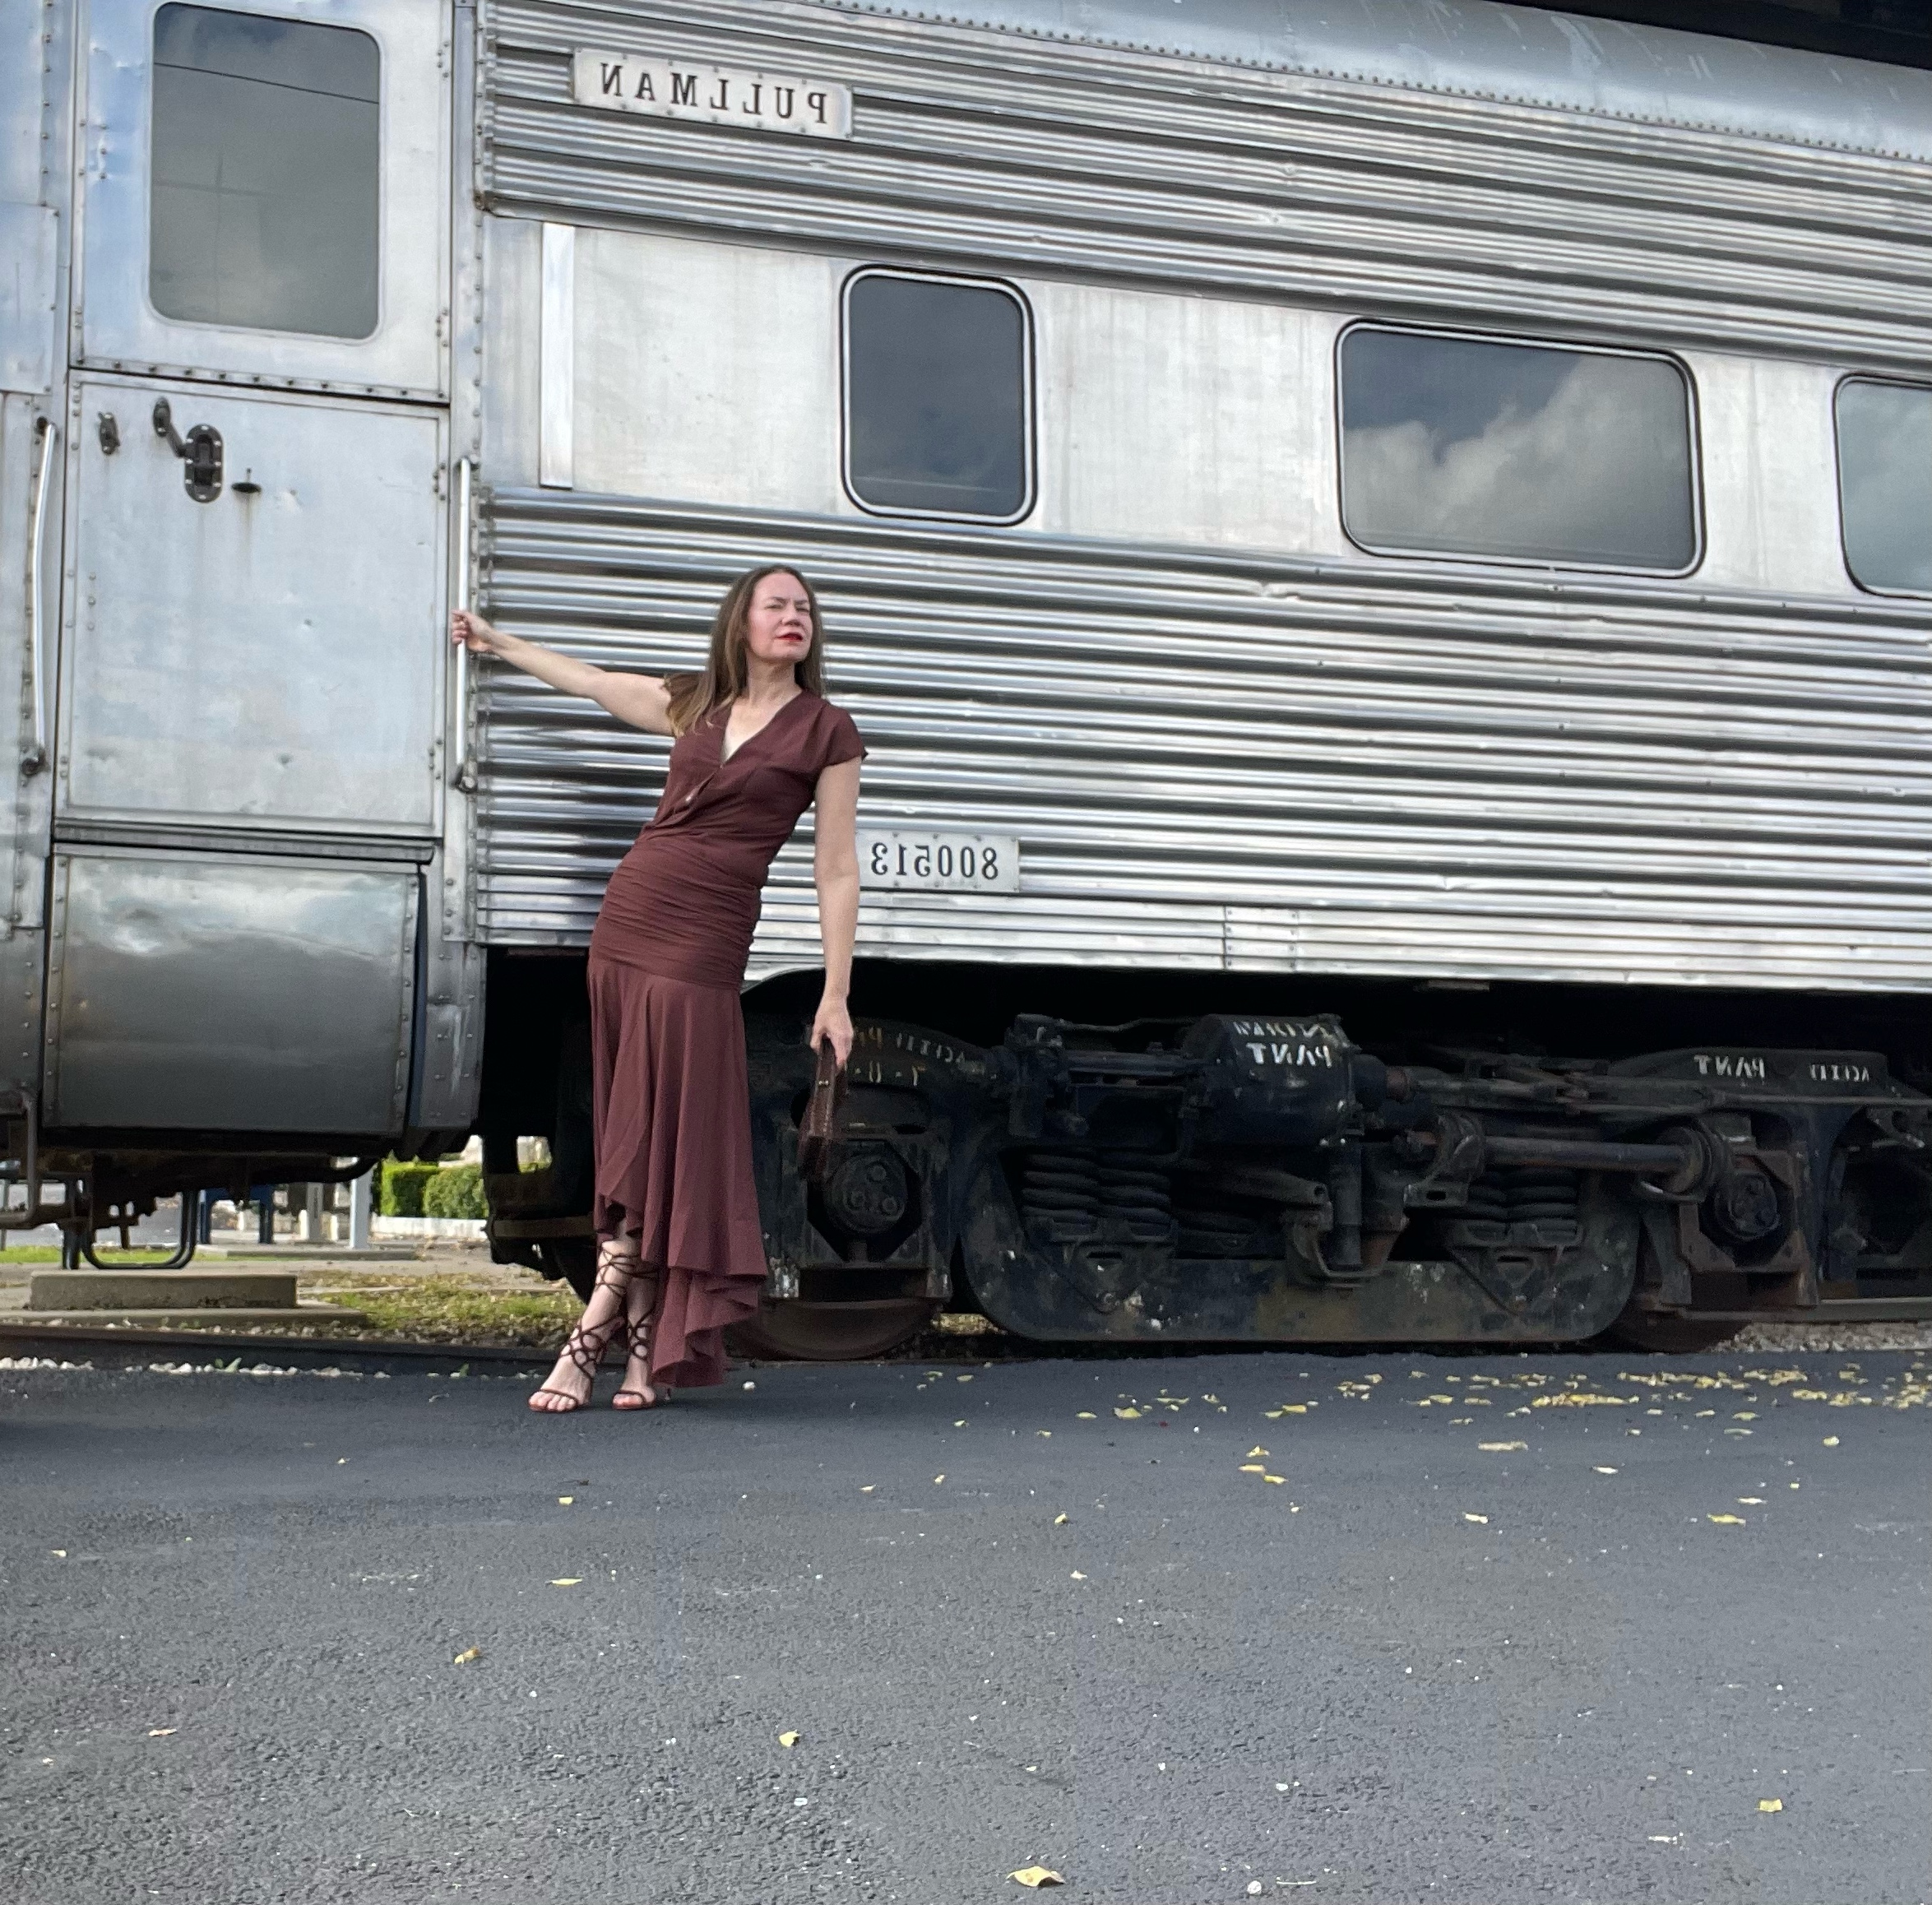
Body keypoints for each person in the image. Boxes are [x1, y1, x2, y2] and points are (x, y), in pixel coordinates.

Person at [449, 567, 863, 1412]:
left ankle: (591, 1332)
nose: (795, 618)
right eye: (776, 605)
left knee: (667, 1135)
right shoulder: (696, 702)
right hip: (633, 918)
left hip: (705, 940)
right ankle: (641, 1352)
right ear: (739, 622)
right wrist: (500, 643)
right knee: (638, 1128)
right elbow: (598, 684)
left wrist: (835, 993)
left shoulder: (828, 732)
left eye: (805, 608)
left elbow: (835, 873)